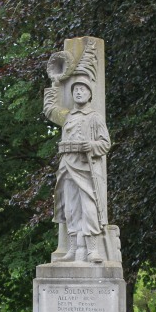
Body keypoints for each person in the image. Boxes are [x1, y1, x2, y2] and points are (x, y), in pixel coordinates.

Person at [43, 79, 111, 262]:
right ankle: (72, 249)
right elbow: (49, 110)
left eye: (82, 89)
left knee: (89, 208)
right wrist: (55, 84)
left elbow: (105, 143)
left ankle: (92, 250)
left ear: (89, 94)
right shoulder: (67, 116)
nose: (79, 92)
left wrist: (91, 145)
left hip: (86, 167)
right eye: (76, 90)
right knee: (71, 209)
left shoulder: (94, 117)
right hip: (67, 166)